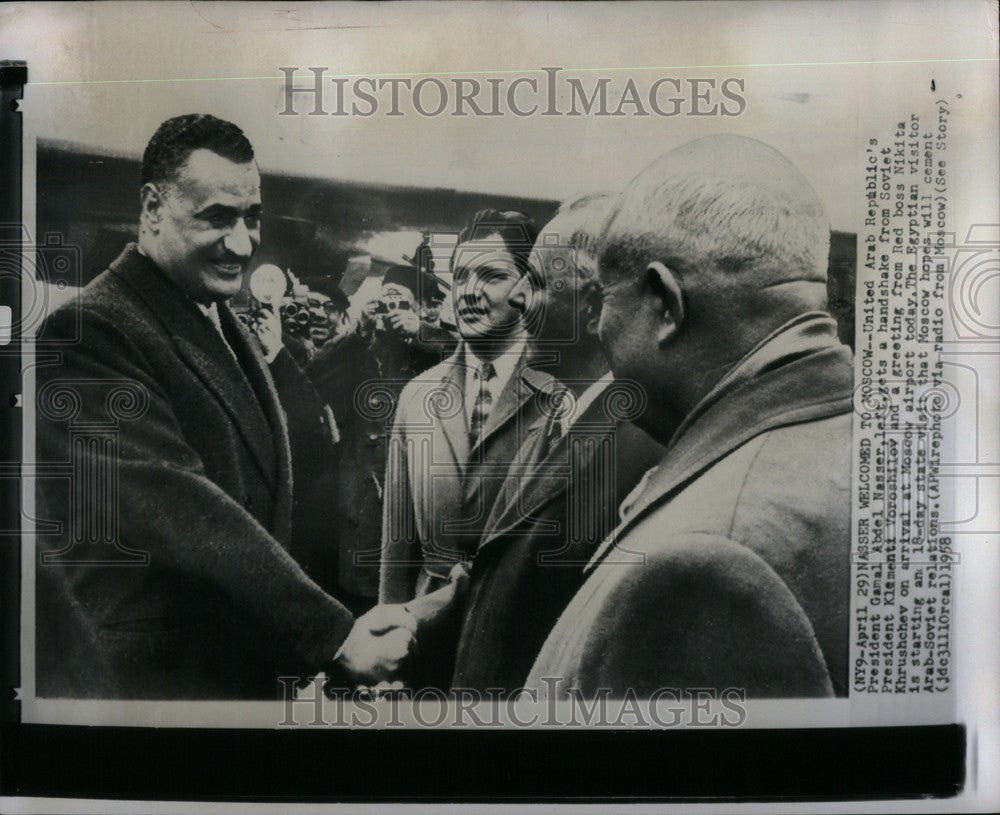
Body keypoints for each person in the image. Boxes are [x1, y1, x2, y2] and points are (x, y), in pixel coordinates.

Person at [35, 114, 414, 699]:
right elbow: (177, 505)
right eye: (217, 217)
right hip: (157, 694)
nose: (242, 242)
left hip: (232, 677)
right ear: (153, 207)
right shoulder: (89, 331)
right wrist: (335, 636)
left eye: (252, 217)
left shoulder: (219, 318)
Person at [527, 135, 854, 699]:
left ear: (665, 304)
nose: (599, 327)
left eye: (605, 299)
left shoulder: (704, 569)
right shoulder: (865, 441)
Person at [448, 193, 664, 692]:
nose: (518, 297)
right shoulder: (558, 413)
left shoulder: (637, 450)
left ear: (595, 311)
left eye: (539, 283)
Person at [378, 209, 556, 688]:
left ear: (529, 288)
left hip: (522, 648)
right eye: (460, 276)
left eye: (492, 275)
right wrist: (387, 634)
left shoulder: (563, 397)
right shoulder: (418, 394)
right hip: (424, 650)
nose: (470, 291)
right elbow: (397, 546)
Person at [305, 264, 454, 609]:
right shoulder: (362, 348)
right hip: (362, 493)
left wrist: (421, 333)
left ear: (419, 309)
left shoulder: (432, 348)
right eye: (386, 301)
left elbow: (471, 359)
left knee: (413, 583)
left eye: (401, 302)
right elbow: (313, 378)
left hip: (417, 484)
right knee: (360, 588)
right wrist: (359, 332)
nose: (391, 311)